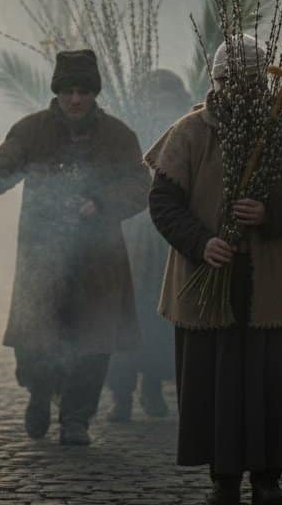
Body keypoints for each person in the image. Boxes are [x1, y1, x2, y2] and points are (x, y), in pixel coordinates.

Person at [144, 36, 282, 505]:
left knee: (272, 382)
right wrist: (200, 242)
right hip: (209, 283)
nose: (242, 91)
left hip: (272, 285)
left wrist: (270, 213)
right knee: (215, 385)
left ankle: (268, 479)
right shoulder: (189, 132)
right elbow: (163, 201)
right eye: (232, 81)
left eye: (251, 82)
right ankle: (223, 480)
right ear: (217, 81)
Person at [0, 49, 148, 445]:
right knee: (36, 339)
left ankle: (77, 418)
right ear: (57, 92)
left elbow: (138, 186)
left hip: (98, 258)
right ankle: (40, 393)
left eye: (83, 91)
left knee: (92, 340)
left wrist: (100, 202)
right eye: (68, 91)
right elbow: (3, 171)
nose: (76, 99)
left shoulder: (118, 136)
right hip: (41, 254)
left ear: (94, 92)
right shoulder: (30, 131)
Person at [108, 68, 192, 422]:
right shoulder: (127, 135)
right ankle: (122, 395)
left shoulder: (189, 132)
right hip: (130, 240)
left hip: (168, 241)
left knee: (161, 322)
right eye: (154, 99)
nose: (160, 106)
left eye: (167, 100)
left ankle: (153, 384)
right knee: (124, 320)